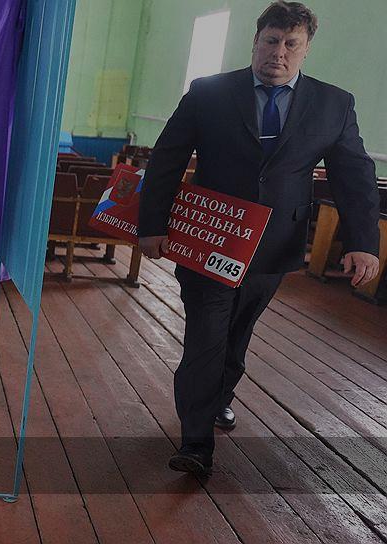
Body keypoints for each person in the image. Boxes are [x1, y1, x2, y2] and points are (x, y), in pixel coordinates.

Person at [138, 1, 380, 477]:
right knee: (206, 333)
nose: (278, 53)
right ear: (255, 41)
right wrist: (152, 225)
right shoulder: (208, 92)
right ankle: (196, 442)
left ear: (306, 50)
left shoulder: (334, 103)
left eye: (291, 44)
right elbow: (167, 157)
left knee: (237, 333)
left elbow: (354, 175)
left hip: (274, 244)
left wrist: (363, 241)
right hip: (210, 239)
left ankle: (219, 397)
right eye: (271, 40)